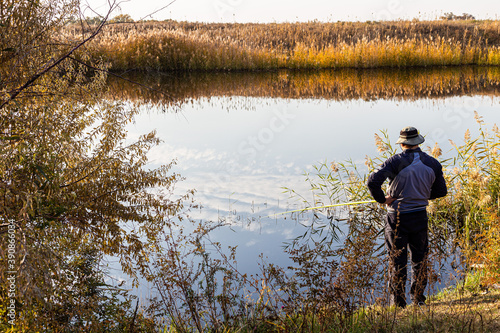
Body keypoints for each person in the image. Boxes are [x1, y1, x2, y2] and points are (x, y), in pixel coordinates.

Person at [367, 126, 447, 308]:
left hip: (396, 219)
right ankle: (418, 299)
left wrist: (383, 199)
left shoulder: (395, 162)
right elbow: (441, 191)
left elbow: (372, 181)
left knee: (397, 260)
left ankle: (399, 303)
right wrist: (422, 195)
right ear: (418, 142)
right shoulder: (433, 163)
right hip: (419, 216)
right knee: (420, 258)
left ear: (402, 143)